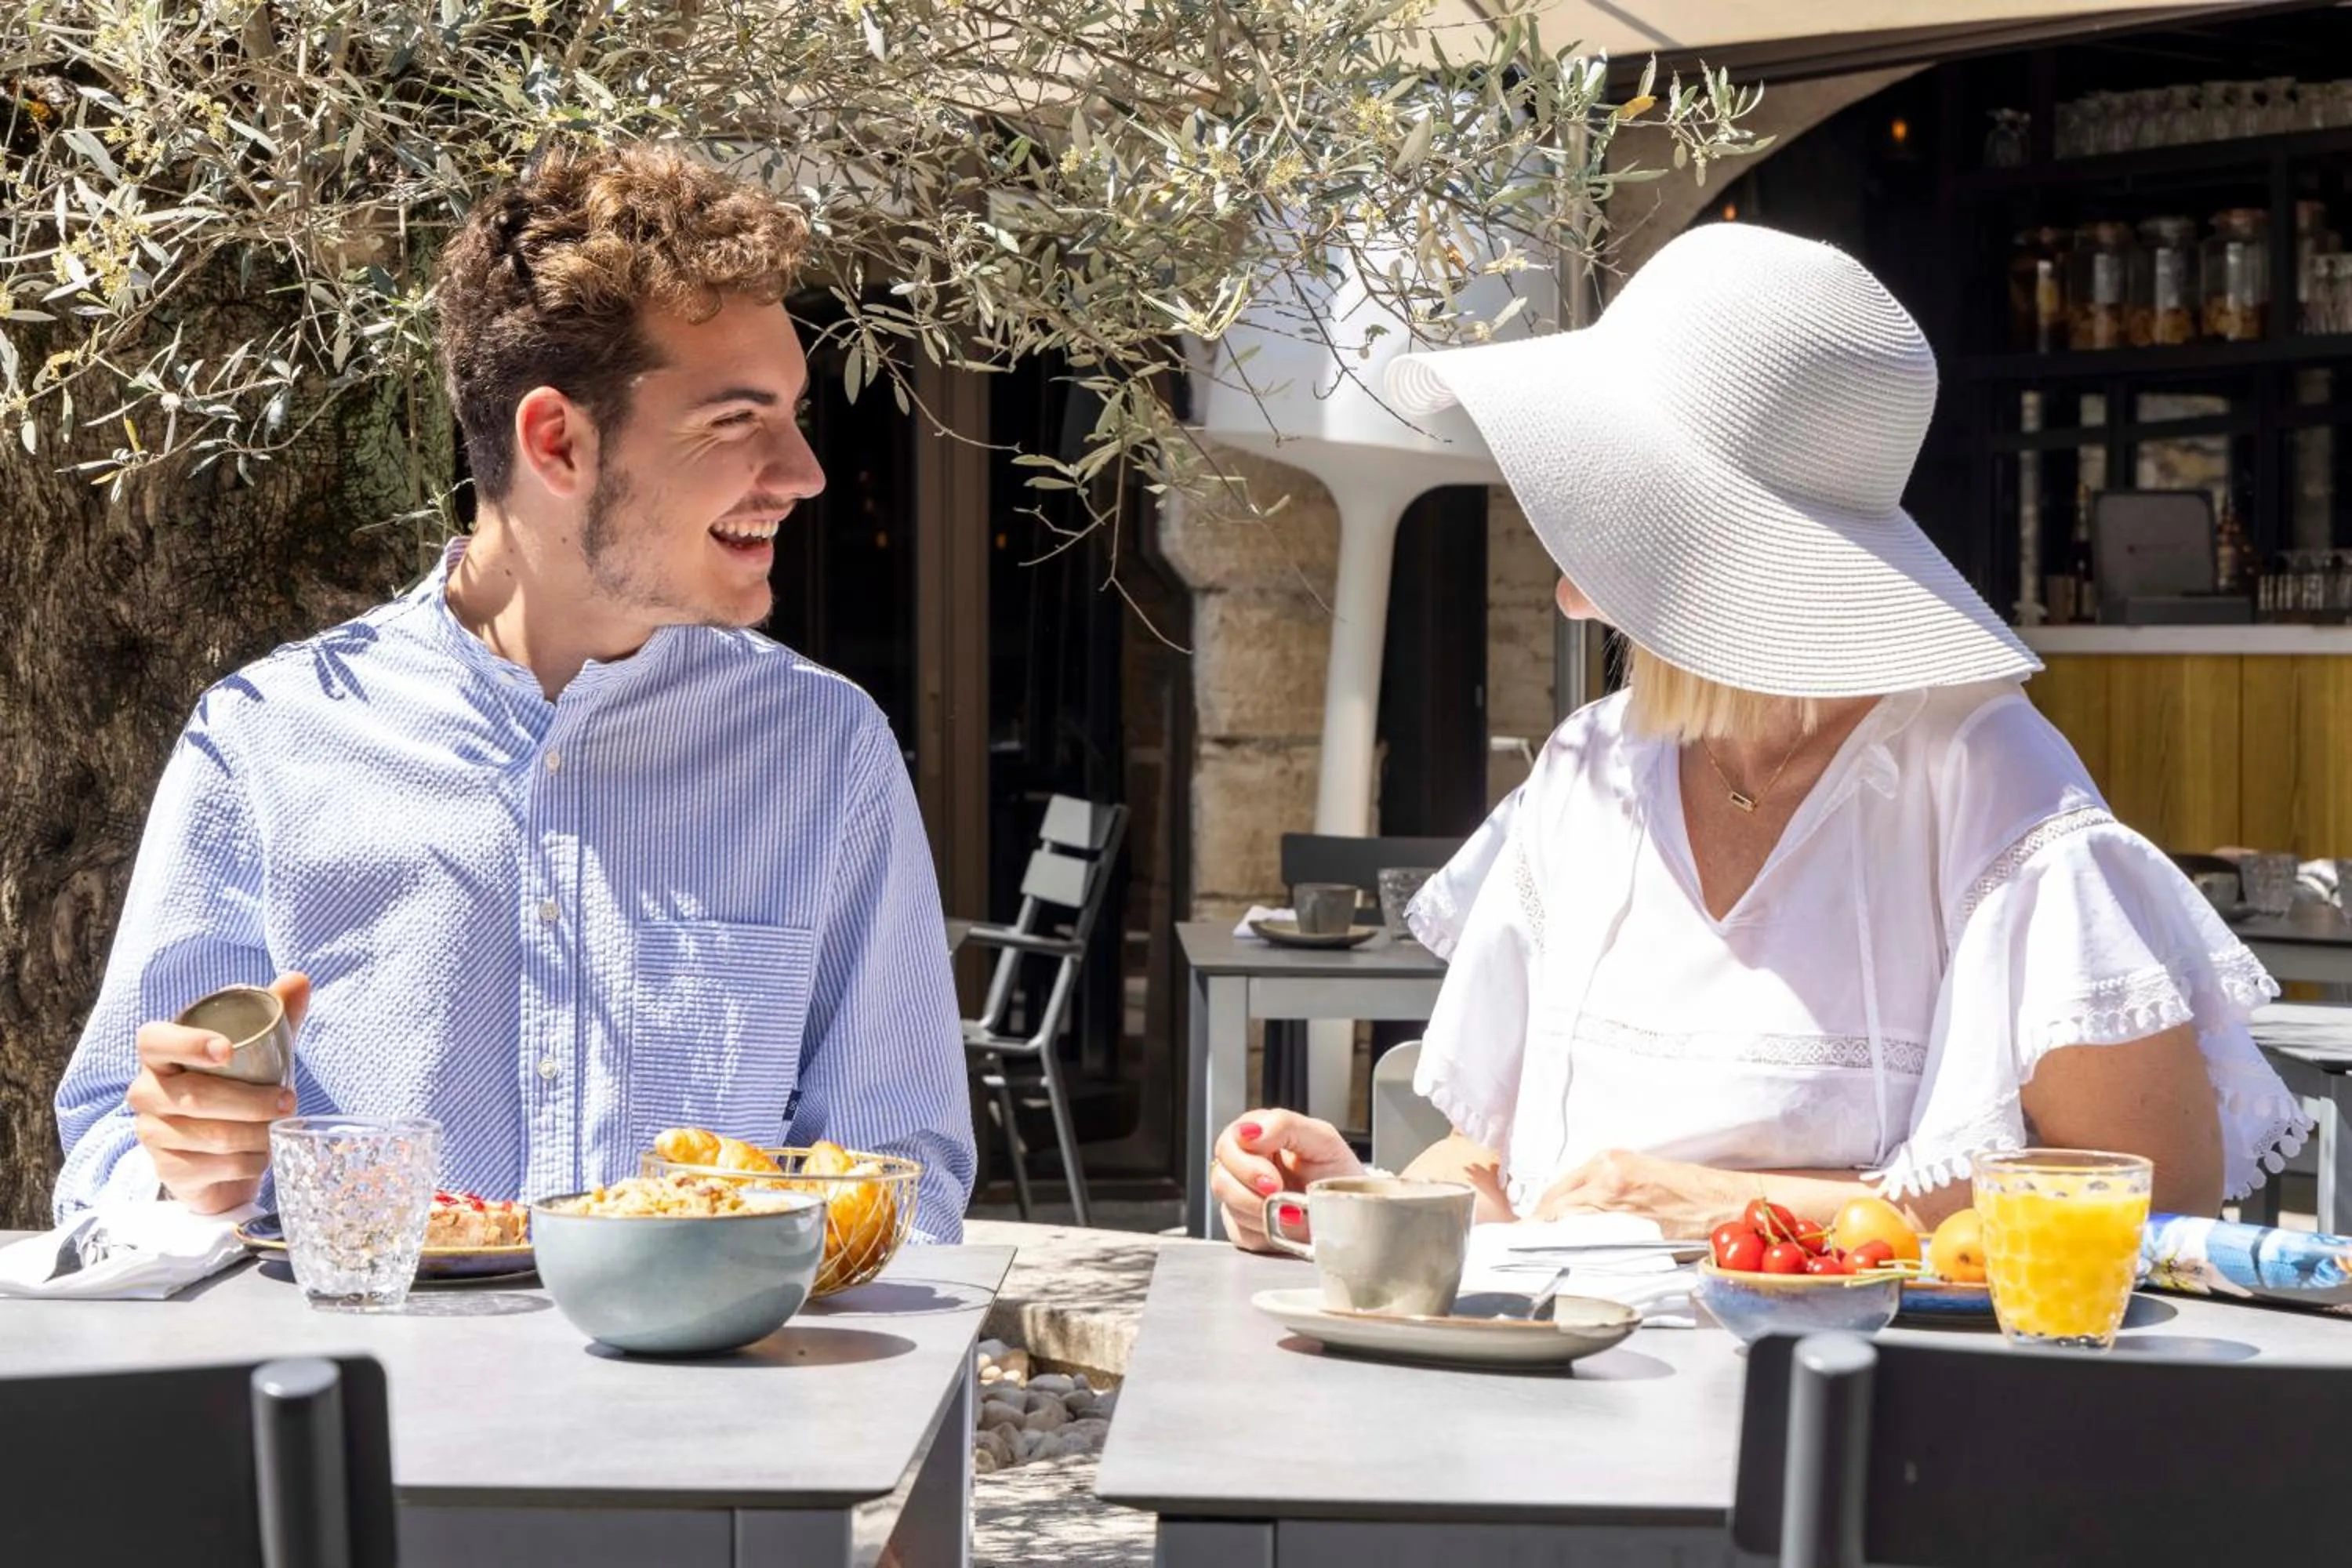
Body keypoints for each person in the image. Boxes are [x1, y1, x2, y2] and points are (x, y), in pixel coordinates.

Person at [1214, 222, 2307, 1250]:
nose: (1563, 594)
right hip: (1552, 1415)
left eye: (1615, 531)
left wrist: (1730, 1207)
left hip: (1849, 1432)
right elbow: (1501, 1169)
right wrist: (1358, 1199)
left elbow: (2152, 1186)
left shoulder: (1978, 780)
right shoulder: (1589, 769)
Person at [53, 141, 976, 1239]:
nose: (804, 473)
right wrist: (182, 1168)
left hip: (707, 1407)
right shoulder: (267, 741)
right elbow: (115, 1140)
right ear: (555, 441)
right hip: (371, 1402)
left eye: (791, 413)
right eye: (738, 421)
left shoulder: (826, 749)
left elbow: (896, 1174)